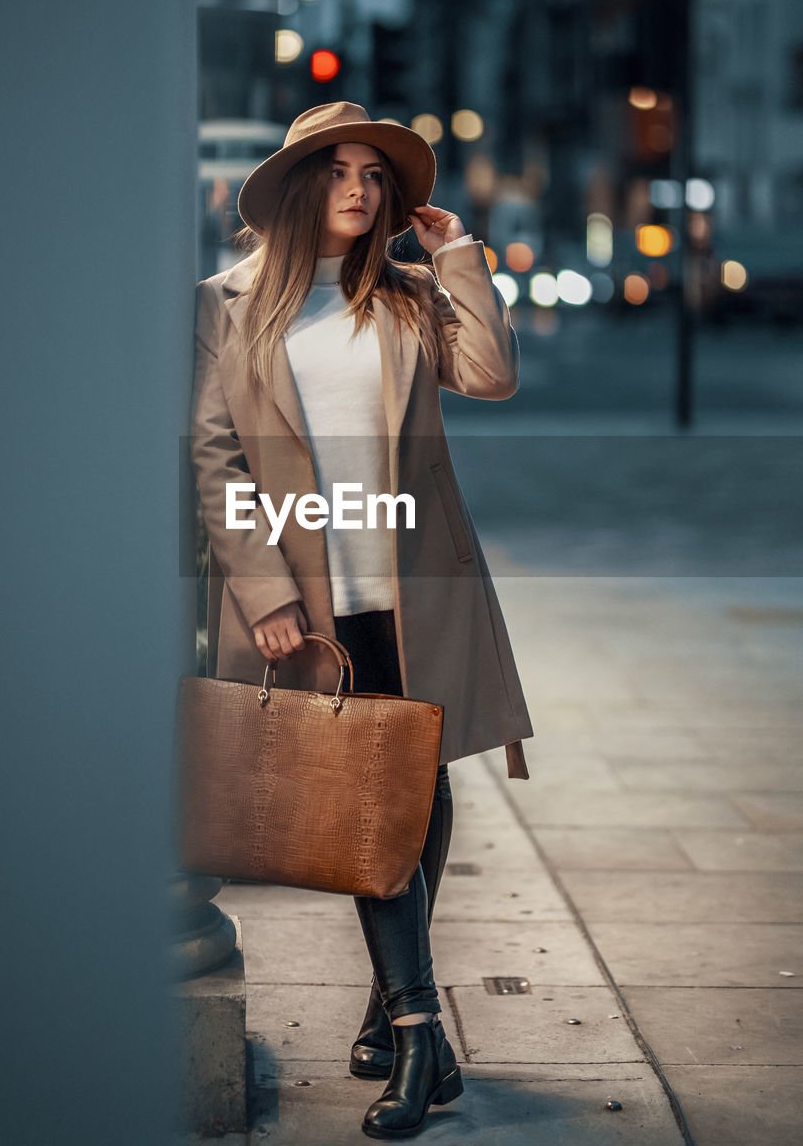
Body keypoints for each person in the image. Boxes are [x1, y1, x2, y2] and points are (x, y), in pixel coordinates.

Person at [190, 101, 533, 1139]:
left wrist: (463, 253)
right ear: (298, 187)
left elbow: (494, 375)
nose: (359, 186)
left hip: (413, 582)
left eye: (375, 174)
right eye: (337, 169)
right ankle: (422, 1024)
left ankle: (399, 1012)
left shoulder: (410, 296)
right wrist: (266, 591)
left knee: (413, 785)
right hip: (310, 597)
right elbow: (215, 456)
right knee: (372, 801)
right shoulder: (228, 303)